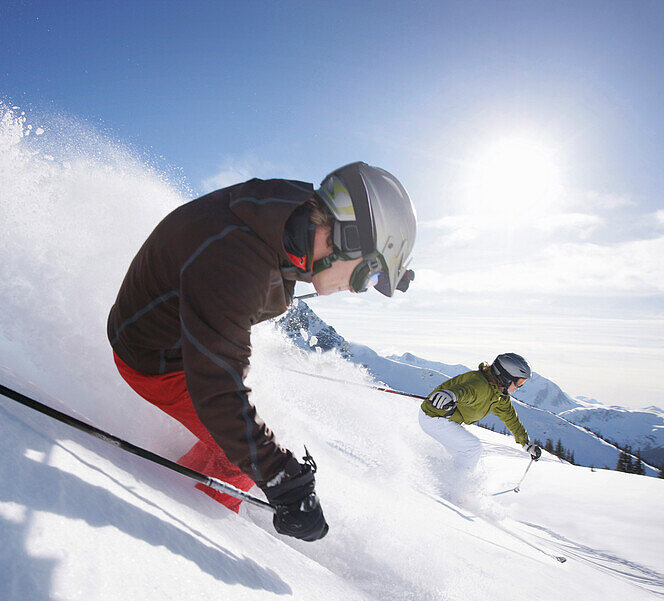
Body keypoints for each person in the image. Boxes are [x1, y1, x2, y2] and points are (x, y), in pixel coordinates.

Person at [108, 162, 417, 541]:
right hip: (154, 358)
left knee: (238, 445)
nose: (358, 290)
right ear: (344, 237)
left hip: (173, 336)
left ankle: (178, 482)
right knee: (238, 462)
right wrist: (284, 481)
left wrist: (389, 270)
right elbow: (218, 390)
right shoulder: (234, 261)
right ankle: (170, 529)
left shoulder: (290, 216)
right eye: (366, 276)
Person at [418, 353, 543, 474]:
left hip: (447, 420)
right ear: (505, 378)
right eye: (519, 382)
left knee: (461, 454)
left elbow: (511, 419)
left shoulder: (499, 395)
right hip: (434, 417)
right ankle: (457, 487)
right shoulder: (479, 385)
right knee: (472, 448)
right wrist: (451, 395)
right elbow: (465, 391)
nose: (519, 387)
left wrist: (526, 443)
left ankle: (439, 478)